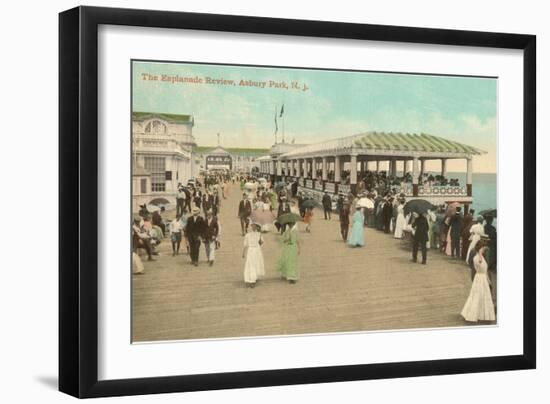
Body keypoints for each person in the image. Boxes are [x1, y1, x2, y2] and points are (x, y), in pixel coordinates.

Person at [460, 245, 496, 322]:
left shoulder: (480, 257)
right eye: (482, 249)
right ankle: (474, 313)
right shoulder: (477, 258)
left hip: (482, 278)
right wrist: (480, 253)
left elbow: (484, 268)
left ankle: (481, 313)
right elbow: (480, 263)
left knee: (481, 296)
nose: (483, 250)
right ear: (479, 249)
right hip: (480, 279)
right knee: (477, 296)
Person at [242, 223, 265, 287]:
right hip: (253, 250)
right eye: (253, 226)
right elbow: (246, 244)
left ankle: (252, 278)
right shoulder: (251, 235)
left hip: (254, 250)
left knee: (253, 264)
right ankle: (251, 279)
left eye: (254, 226)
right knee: (252, 264)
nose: (253, 227)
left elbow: (261, 243)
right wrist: (243, 253)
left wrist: (243, 253)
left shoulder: (256, 234)